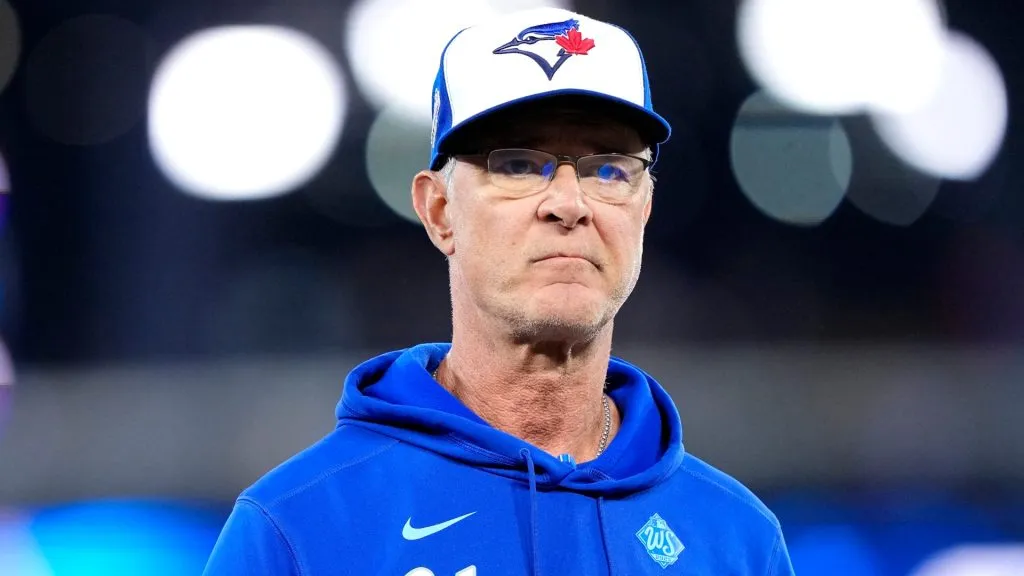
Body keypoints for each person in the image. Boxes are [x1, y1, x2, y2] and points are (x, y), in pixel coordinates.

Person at [204, 7, 795, 575]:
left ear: (644, 208)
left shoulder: (737, 539)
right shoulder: (299, 528)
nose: (569, 204)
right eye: (517, 165)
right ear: (439, 211)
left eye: (609, 169)